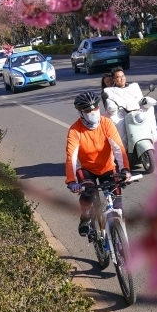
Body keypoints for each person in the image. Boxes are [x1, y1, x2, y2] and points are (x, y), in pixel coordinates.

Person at [65, 91, 129, 236]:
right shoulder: (75, 130)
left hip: (108, 168)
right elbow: (71, 157)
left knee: (118, 206)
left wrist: (125, 170)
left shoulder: (106, 123)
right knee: (88, 193)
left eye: (95, 108)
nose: (93, 112)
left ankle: (121, 240)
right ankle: (86, 216)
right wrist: (71, 181)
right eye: (88, 110)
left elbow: (118, 147)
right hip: (88, 170)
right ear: (81, 113)